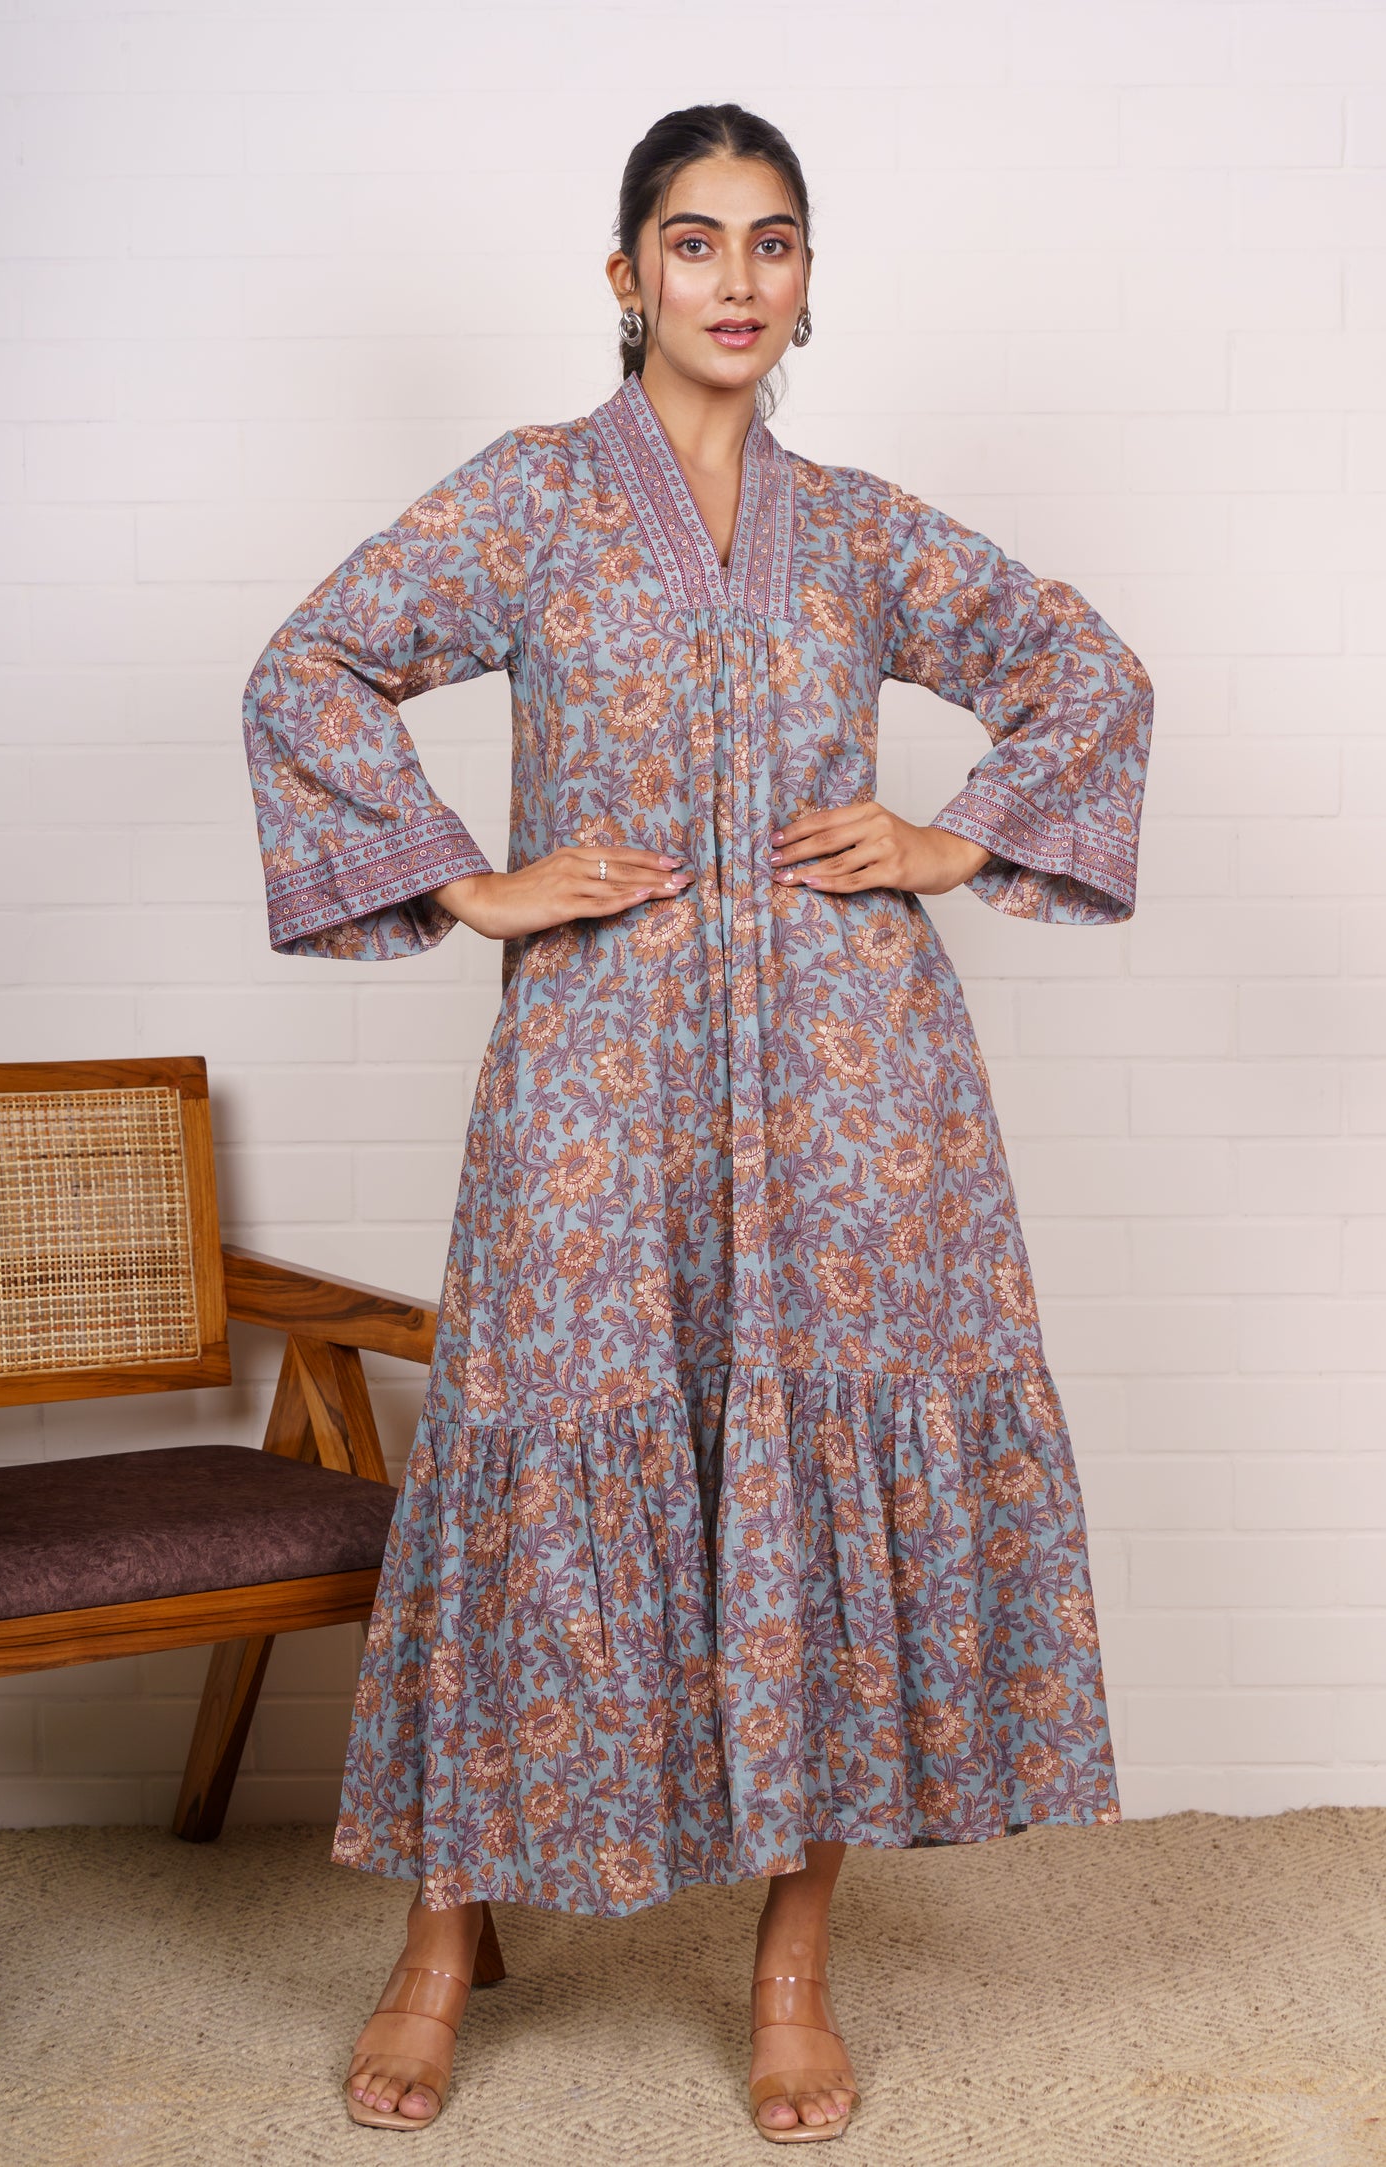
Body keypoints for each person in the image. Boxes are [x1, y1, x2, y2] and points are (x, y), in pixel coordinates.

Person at [242, 101, 1151, 2146]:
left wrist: (943, 841)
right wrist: (470, 883)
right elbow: (310, 667)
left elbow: (1083, 670)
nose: (734, 279)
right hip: (601, 1070)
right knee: (537, 1449)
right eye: (693, 240)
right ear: (624, 273)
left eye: (771, 242)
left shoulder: (865, 529)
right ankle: (440, 1945)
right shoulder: (530, 501)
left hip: (853, 1084)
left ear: (807, 282)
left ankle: (792, 1968)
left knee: (811, 1473)